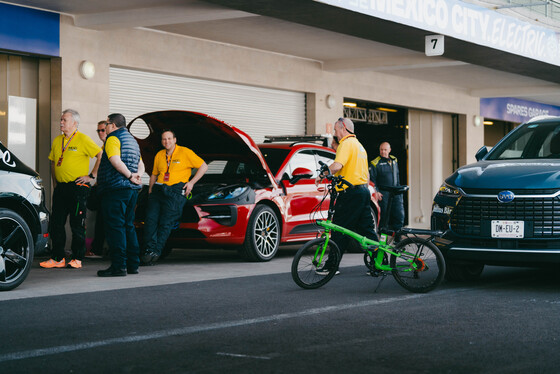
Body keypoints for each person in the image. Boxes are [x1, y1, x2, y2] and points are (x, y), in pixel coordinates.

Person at [40, 109, 102, 269]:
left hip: (78, 187)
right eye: (61, 119)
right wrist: (55, 183)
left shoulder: (83, 139)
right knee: (56, 223)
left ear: (74, 123)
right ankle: (57, 258)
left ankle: (77, 258)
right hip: (61, 188)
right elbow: (53, 162)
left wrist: (92, 176)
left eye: (64, 120)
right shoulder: (57, 140)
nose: (61, 122)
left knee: (77, 224)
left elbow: (100, 154)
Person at [315, 118, 378, 274]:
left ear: (343, 128)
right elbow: (367, 175)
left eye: (336, 130)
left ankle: (331, 266)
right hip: (363, 192)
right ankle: (379, 263)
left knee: (339, 229)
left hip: (350, 193)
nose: (336, 134)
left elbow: (337, 166)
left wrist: (322, 175)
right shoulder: (360, 146)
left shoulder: (346, 144)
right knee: (368, 230)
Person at [141, 130, 208, 265]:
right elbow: (154, 174)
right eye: (164, 139)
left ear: (175, 140)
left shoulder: (185, 152)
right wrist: (150, 190)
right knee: (150, 220)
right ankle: (149, 250)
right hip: (158, 190)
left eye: (169, 138)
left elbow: (203, 166)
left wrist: (191, 183)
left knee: (166, 223)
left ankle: (155, 252)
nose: (167, 141)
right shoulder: (160, 154)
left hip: (176, 191)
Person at [96, 113, 145, 277]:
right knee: (128, 226)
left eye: (107, 124)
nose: (106, 128)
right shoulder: (133, 140)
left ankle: (119, 266)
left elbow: (115, 161)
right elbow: (141, 164)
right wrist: (137, 176)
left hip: (115, 189)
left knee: (115, 228)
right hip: (131, 190)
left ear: (113, 125)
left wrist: (130, 176)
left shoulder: (113, 138)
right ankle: (133, 265)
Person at [370, 141, 405, 232]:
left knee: (399, 216)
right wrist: (376, 191)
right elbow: (372, 180)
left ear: (389, 150)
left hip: (396, 192)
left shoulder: (394, 160)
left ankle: (398, 241)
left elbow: (397, 176)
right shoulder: (375, 163)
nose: (383, 152)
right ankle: (383, 241)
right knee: (384, 218)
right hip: (384, 193)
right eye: (381, 150)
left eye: (385, 150)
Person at [86, 120, 108, 257]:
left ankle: (97, 249)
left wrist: (92, 176)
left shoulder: (112, 145)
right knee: (101, 219)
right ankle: (98, 248)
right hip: (101, 186)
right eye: (98, 130)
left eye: (103, 130)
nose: (100, 133)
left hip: (109, 188)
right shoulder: (103, 146)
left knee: (102, 220)